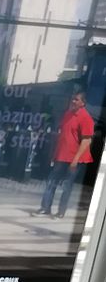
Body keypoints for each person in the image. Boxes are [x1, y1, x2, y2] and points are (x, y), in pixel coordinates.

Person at [33, 91, 93, 219]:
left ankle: (61, 211)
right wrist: (54, 154)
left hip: (75, 158)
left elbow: (86, 140)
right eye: (73, 99)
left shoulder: (85, 118)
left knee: (67, 185)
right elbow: (62, 136)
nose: (73, 101)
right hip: (62, 155)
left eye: (76, 99)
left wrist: (75, 160)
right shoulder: (68, 115)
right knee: (51, 181)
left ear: (83, 103)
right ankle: (45, 208)